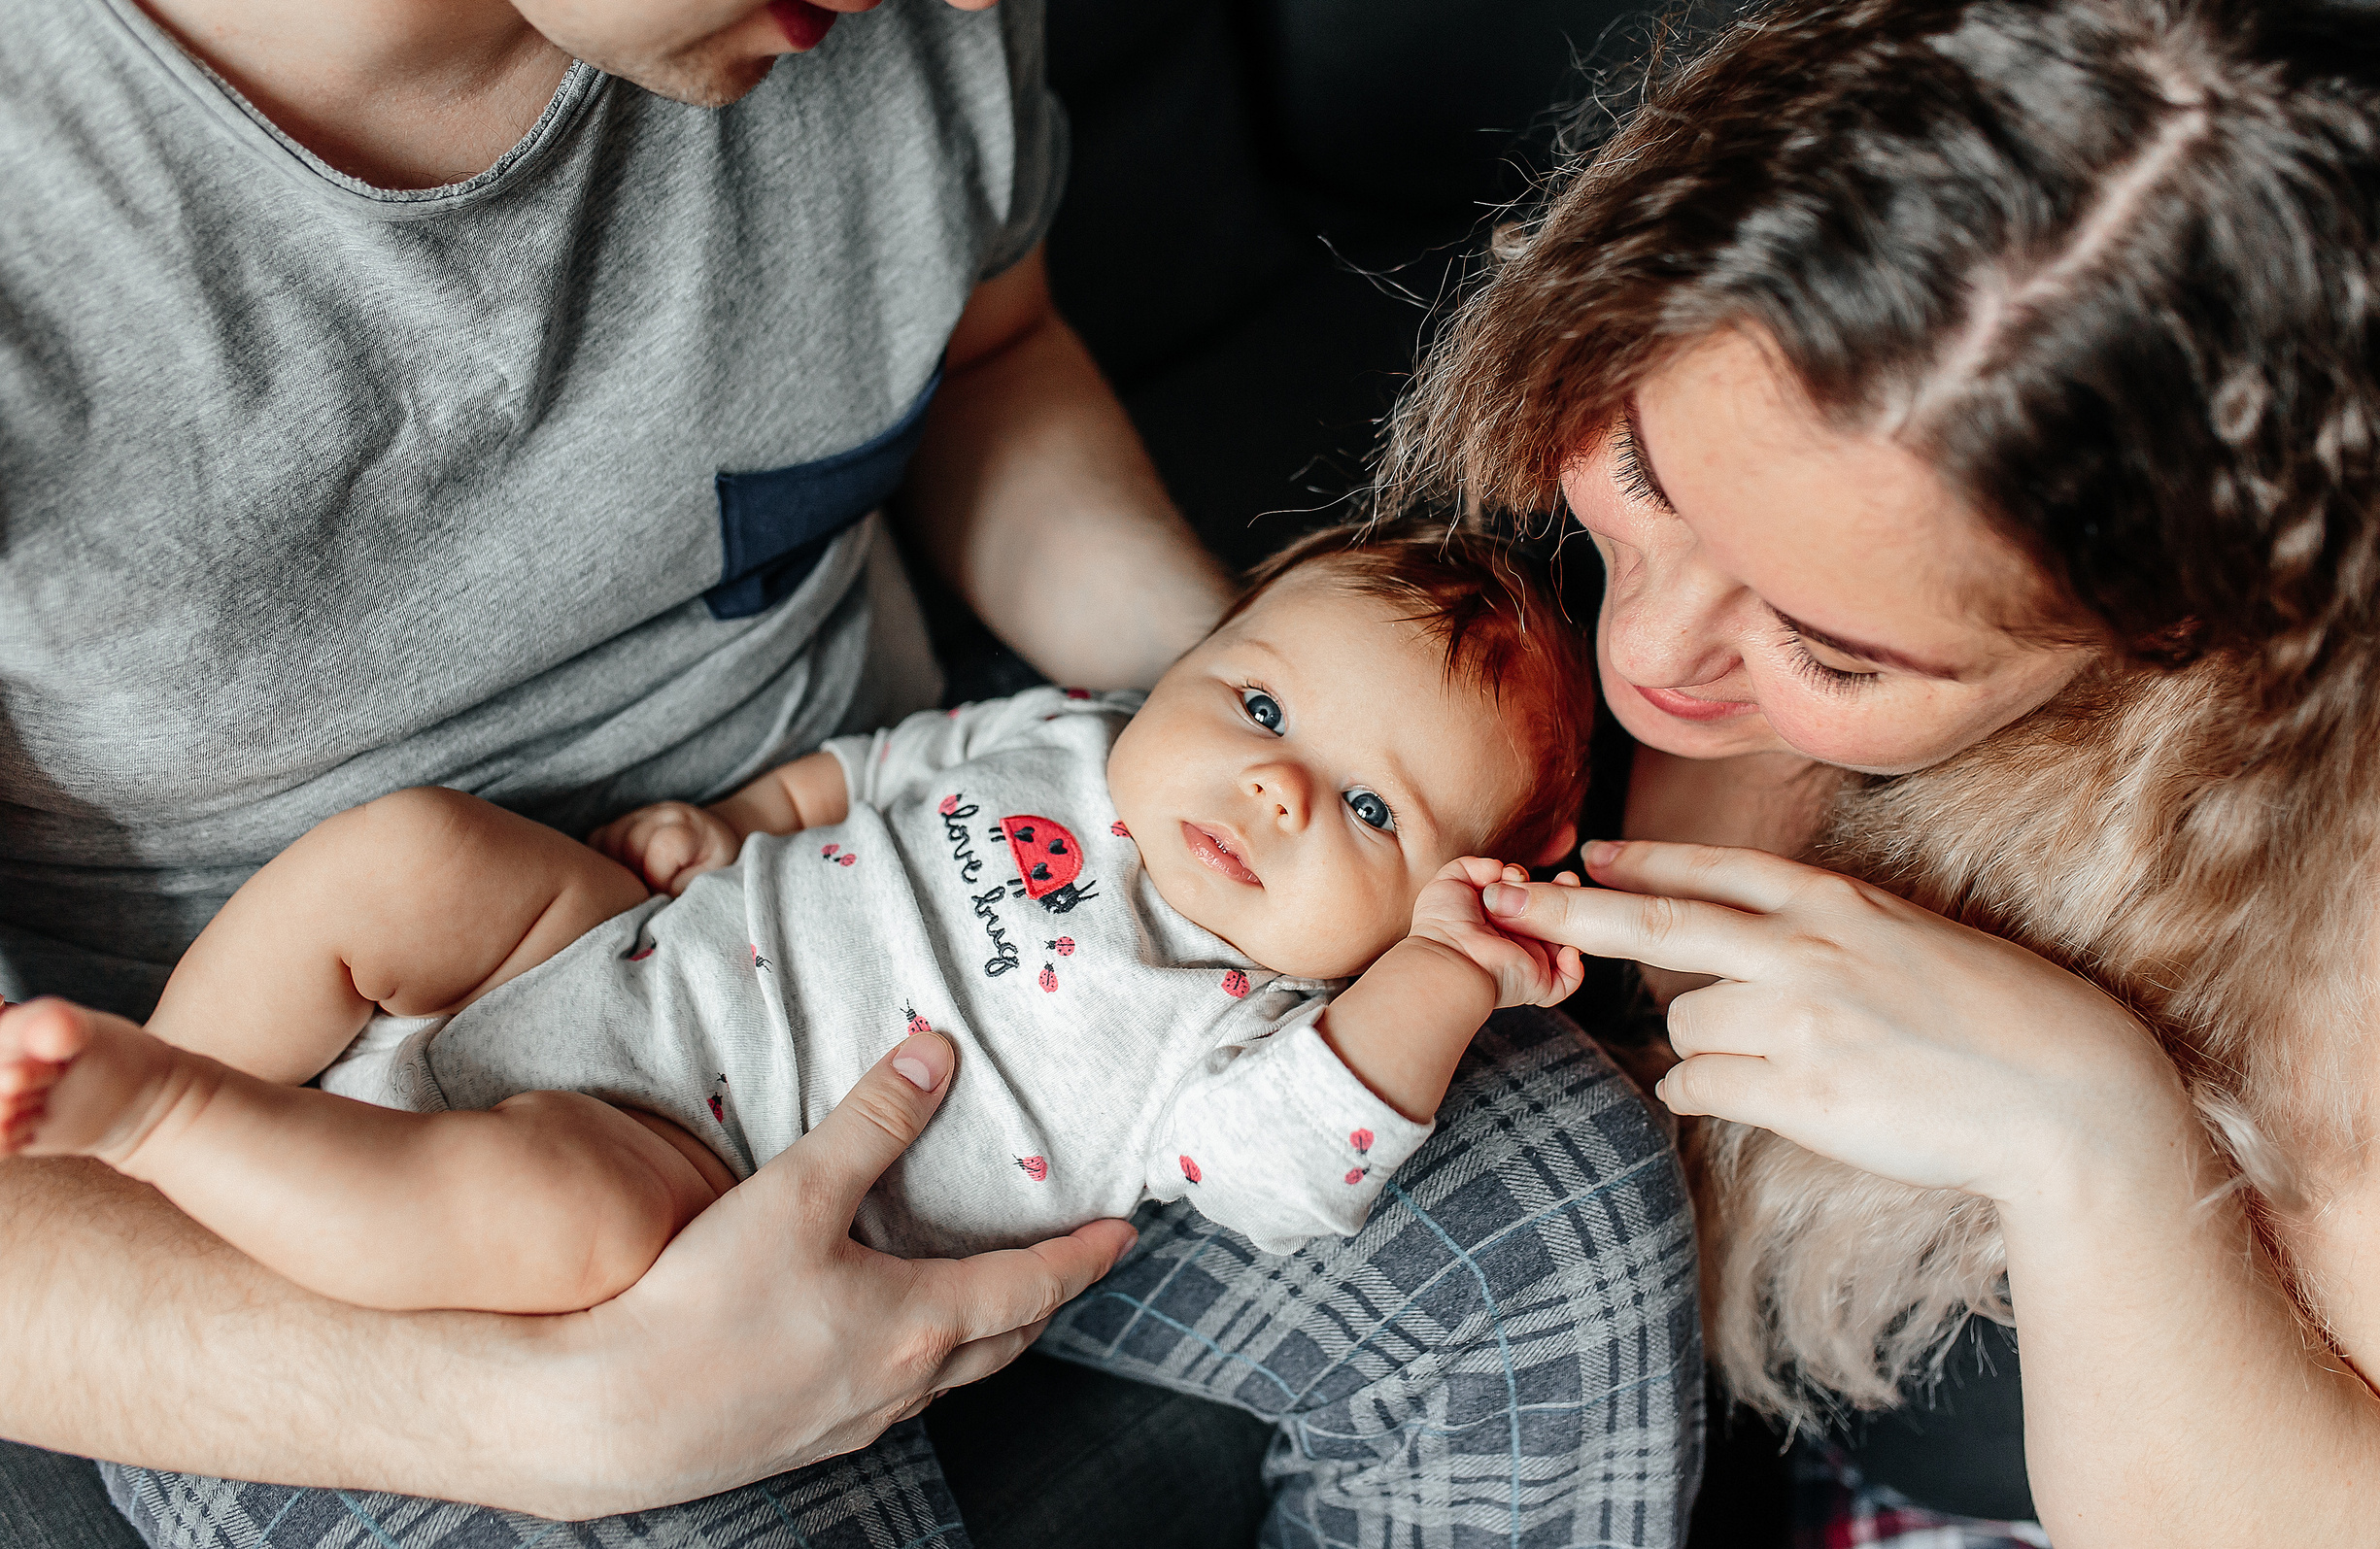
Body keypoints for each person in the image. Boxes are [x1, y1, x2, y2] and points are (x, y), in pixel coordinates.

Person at [0, 0, 1696, 1541]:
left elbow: (986, 356)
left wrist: (1262, 717)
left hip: (770, 935)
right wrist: (554, 1420)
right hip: (282, 1080)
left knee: (1557, 1217)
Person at [1380, 0, 2380, 1545]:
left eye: (1835, 653)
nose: (1659, 651)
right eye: (1643, 479)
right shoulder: (1647, 361)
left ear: (2173, 629)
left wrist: (2085, 1131)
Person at [0, 524, 1595, 1306]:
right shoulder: (1074, 738)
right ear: (1197, 660)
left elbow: (1292, 1171)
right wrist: (750, 817)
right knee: (411, 854)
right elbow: (886, 764)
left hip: (702, 1174)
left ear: (1407, 922)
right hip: (621, 946)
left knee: (562, 1214)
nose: (1275, 791)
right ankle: (137, 1111)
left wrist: (1446, 982)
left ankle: (174, 1125)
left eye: (1372, 813)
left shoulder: (1238, 1032)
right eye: (1257, 703)